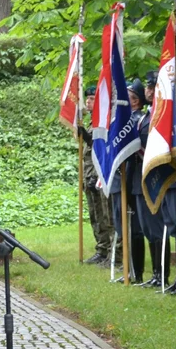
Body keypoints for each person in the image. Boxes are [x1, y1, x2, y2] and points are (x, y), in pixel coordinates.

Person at [113, 79, 148, 283]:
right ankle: (129, 270)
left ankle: (137, 272)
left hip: (133, 177)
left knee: (134, 228)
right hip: (121, 179)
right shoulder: (122, 120)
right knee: (122, 226)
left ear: (134, 102)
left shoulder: (138, 120)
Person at [135, 71, 166, 287]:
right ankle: (155, 273)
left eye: (153, 86)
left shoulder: (162, 112)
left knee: (157, 227)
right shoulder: (147, 114)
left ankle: (162, 274)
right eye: (147, 86)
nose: (149, 90)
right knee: (147, 228)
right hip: (141, 175)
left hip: (157, 174)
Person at [78, 87, 112, 266]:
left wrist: (86, 136)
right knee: (94, 214)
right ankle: (101, 248)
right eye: (88, 99)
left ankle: (111, 250)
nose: (88, 103)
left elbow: (100, 148)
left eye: (92, 99)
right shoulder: (91, 122)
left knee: (105, 215)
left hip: (99, 176)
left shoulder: (102, 122)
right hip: (89, 175)